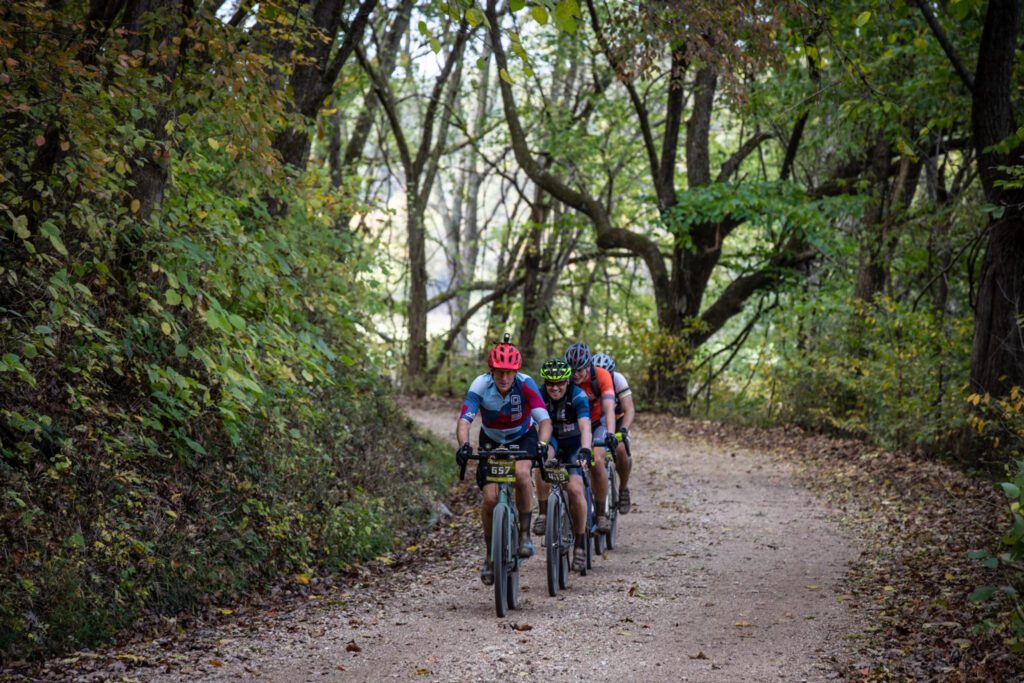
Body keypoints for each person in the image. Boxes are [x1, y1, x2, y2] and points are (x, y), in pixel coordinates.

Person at [455, 335, 552, 586]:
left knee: (521, 474)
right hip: (492, 440)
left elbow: (544, 421)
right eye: (500, 372)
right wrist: (464, 446)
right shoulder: (480, 384)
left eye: (509, 372)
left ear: (516, 371)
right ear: (492, 371)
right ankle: (490, 556)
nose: (505, 378)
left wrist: (541, 446)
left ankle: (523, 535)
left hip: (523, 436)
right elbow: (465, 420)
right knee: (489, 498)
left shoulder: (526, 383)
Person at [531, 358, 592, 572]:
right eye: (550, 383)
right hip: (553, 440)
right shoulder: (538, 394)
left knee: (575, 489)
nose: (555, 388)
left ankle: (581, 543)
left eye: (560, 383)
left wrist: (585, 449)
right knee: (541, 460)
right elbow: (534, 425)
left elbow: (585, 427)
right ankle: (544, 511)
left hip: (575, 443)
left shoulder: (578, 396)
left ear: (568, 382)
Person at [563, 341, 616, 534]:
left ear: (589, 365)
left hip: (597, 423)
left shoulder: (601, 376)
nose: (575, 374)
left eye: (580, 369)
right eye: (572, 370)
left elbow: (609, 407)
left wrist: (610, 433)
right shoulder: (565, 378)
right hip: (575, 424)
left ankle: (601, 513)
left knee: (598, 459)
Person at [592, 353, 635, 513]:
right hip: (596, 421)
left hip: (616, 420)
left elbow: (629, 409)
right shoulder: (588, 380)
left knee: (621, 449)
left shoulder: (618, 380)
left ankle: (623, 488)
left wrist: (623, 429)